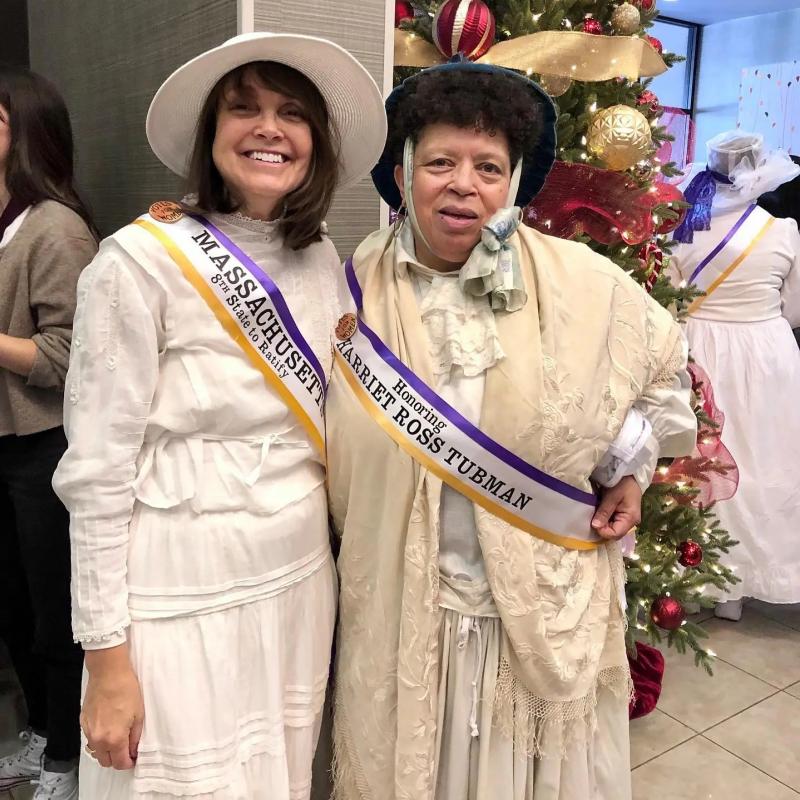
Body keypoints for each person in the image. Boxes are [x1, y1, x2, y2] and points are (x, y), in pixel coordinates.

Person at [326, 60, 697, 800]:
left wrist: (631, 467)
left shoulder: (583, 279)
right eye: (439, 162)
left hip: (532, 607)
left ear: (515, 181)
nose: (464, 183)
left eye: (488, 167)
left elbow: (666, 374)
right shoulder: (352, 282)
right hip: (405, 607)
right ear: (402, 175)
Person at [51, 32, 385, 800]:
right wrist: (104, 660)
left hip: (298, 580)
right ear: (210, 136)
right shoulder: (136, 262)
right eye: (245, 109)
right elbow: (96, 476)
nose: (270, 128)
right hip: (177, 588)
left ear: (316, 145)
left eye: (292, 114)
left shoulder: (322, 262)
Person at [0, 66, 97, 800]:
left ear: (25, 135)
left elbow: (72, 360)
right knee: (9, 601)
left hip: (44, 447)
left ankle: (66, 756)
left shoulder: (56, 230)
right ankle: (39, 733)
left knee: (52, 610)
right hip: (3, 444)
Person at [670, 131, 800, 621]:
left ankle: (699, 573)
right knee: (768, 460)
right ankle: (749, 580)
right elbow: (796, 307)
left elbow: (666, 292)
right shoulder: (783, 231)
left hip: (700, 348)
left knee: (703, 460)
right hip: (768, 352)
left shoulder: (682, 228)